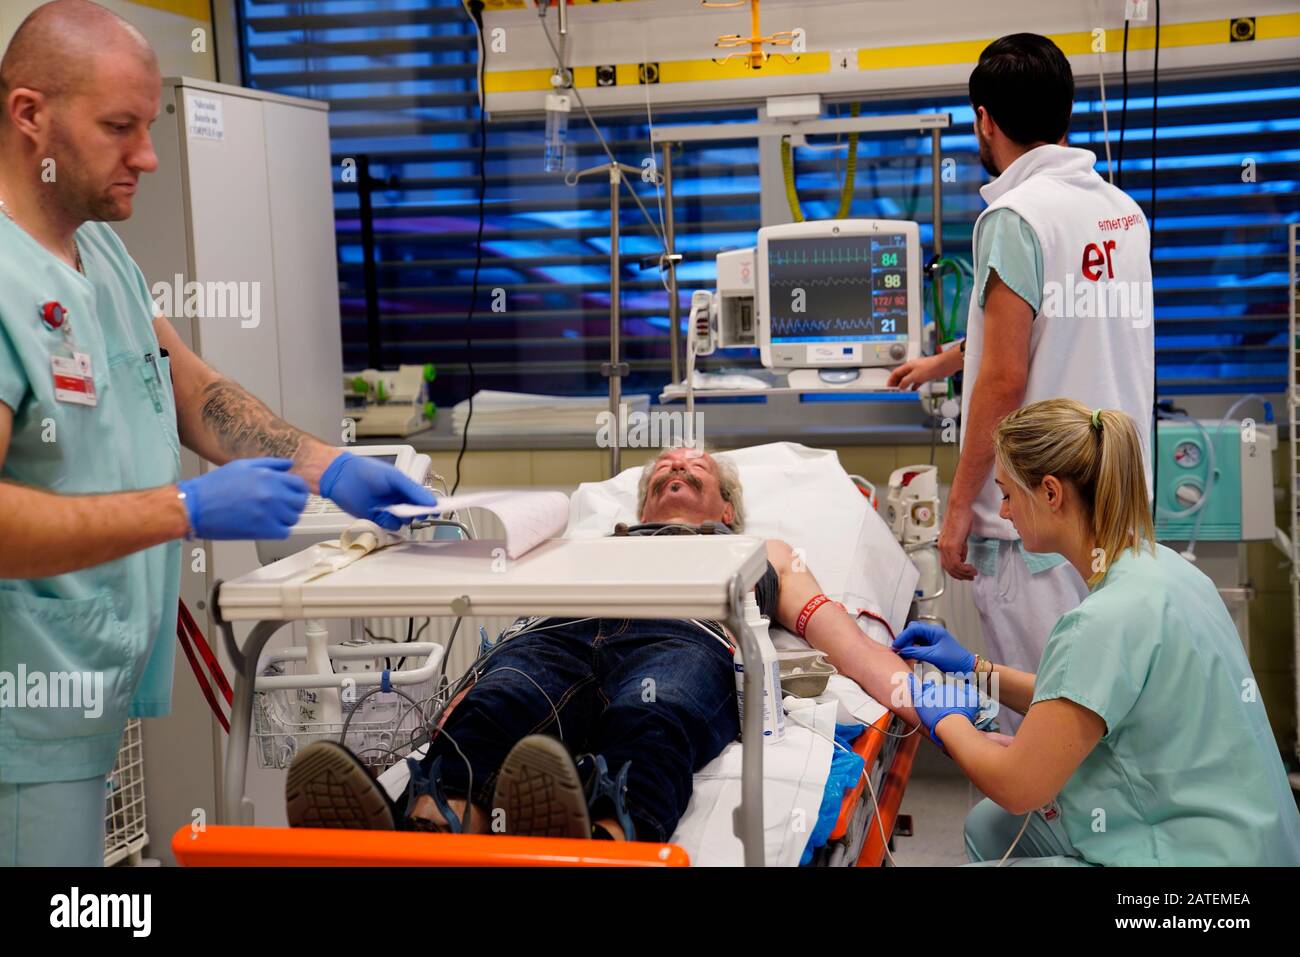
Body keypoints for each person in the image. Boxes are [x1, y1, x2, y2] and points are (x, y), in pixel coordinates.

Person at [0, 0, 435, 866]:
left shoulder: (100, 256)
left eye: (149, 125)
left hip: (84, 690)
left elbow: (191, 391)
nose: (149, 156)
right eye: (119, 127)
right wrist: (183, 508)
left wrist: (327, 465)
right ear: (28, 115)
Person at [286, 446, 922, 844]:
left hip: (682, 634)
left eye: (696, 468)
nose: (676, 467)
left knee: (655, 716)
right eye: (663, 469)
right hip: (559, 632)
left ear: (727, 510)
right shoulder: (591, 542)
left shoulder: (763, 550)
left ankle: (605, 838)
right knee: (499, 702)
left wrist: (918, 694)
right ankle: (432, 826)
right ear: (638, 503)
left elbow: (826, 622)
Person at [893, 399, 1300, 866]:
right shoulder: (1161, 567)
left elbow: (1017, 786)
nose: (1003, 513)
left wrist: (946, 722)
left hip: (1200, 858)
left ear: (1050, 492)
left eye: (1006, 495)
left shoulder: (1103, 620)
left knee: (1005, 810)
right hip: (1253, 837)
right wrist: (973, 669)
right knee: (989, 828)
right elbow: (1079, 698)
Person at [890, 34, 1155, 730]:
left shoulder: (1013, 217)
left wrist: (955, 511)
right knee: (1107, 709)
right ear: (1065, 117)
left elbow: (1006, 377)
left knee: (1047, 719)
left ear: (985, 120)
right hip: (1116, 506)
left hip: (1034, 523)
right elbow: (1053, 318)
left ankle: (1050, 838)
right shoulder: (1122, 213)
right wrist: (946, 360)